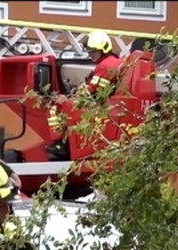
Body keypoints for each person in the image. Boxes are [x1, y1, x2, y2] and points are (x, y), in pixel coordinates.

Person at [45, 30, 124, 160]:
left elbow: (93, 92)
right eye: (89, 52)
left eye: (93, 52)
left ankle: (61, 144)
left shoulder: (105, 66)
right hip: (105, 105)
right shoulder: (111, 62)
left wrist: (68, 99)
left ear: (103, 49)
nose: (90, 55)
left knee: (55, 107)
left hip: (99, 107)